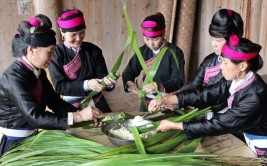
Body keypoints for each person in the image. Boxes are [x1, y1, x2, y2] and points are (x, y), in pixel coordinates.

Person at [148, 35, 267, 157]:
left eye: (225, 63)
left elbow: (220, 124)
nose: (221, 67)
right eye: (221, 61)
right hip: (244, 127)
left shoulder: (254, 97)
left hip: (260, 138)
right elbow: (207, 94)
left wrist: (175, 125)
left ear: (242, 66)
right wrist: (167, 99)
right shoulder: (237, 77)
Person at [0, 14, 102, 155]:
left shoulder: (38, 71)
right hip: (13, 141)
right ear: (31, 49)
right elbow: (35, 117)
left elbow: (53, 101)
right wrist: (78, 117)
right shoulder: (13, 77)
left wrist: (79, 114)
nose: (52, 57)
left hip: (31, 137)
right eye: (50, 52)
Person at [48, 9, 117, 112]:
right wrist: (88, 84)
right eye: (73, 35)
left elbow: (102, 78)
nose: (78, 38)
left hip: (96, 101)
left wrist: (109, 82)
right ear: (62, 32)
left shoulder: (94, 50)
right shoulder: (56, 53)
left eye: (82, 33)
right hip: (69, 104)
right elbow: (60, 87)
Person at [122, 12, 185, 112]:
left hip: (167, 101)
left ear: (163, 34)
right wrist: (130, 84)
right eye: (147, 39)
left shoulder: (175, 52)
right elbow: (128, 73)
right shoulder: (142, 51)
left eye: (155, 39)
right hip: (147, 101)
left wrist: (160, 86)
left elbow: (179, 80)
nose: (151, 43)